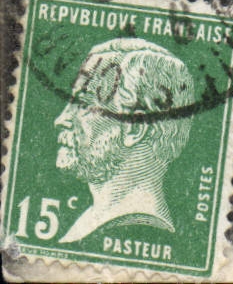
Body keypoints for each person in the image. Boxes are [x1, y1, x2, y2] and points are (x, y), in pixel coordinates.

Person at [53, 37, 196, 244]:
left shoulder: (136, 231)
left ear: (134, 128)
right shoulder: (91, 221)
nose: (60, 120)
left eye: (83, 104)